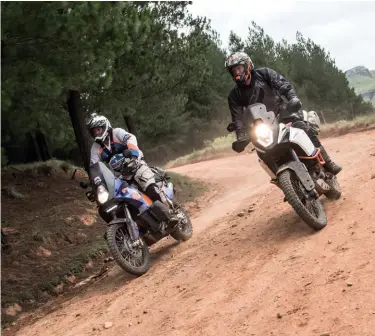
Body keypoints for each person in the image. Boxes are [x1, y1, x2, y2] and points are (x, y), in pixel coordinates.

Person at [224, 51, 342, 175]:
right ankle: (282, 181)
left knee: (302, 128)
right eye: (233, 71)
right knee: (261, 152)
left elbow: (283, 85)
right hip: (260, 126)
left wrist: (292, 98)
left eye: (239, 68)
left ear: (247, 65)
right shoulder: (234, 95)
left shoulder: (264, 73)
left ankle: (328, 162)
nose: (237, 72)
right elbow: (237, 118)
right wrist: (241, 136)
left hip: (281, 114)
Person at [86, 113, 174, 212]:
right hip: (120, 175)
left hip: (135, 165)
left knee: (150, 187)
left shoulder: (116, 133)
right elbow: (94, 166)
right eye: (93, 132)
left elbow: (130, 138)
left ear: (105, 126)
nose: (96, 133)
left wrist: (133, 155)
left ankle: (170, 212)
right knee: (122, 199)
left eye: (98, 130)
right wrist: (95, 184)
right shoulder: (95, 148)